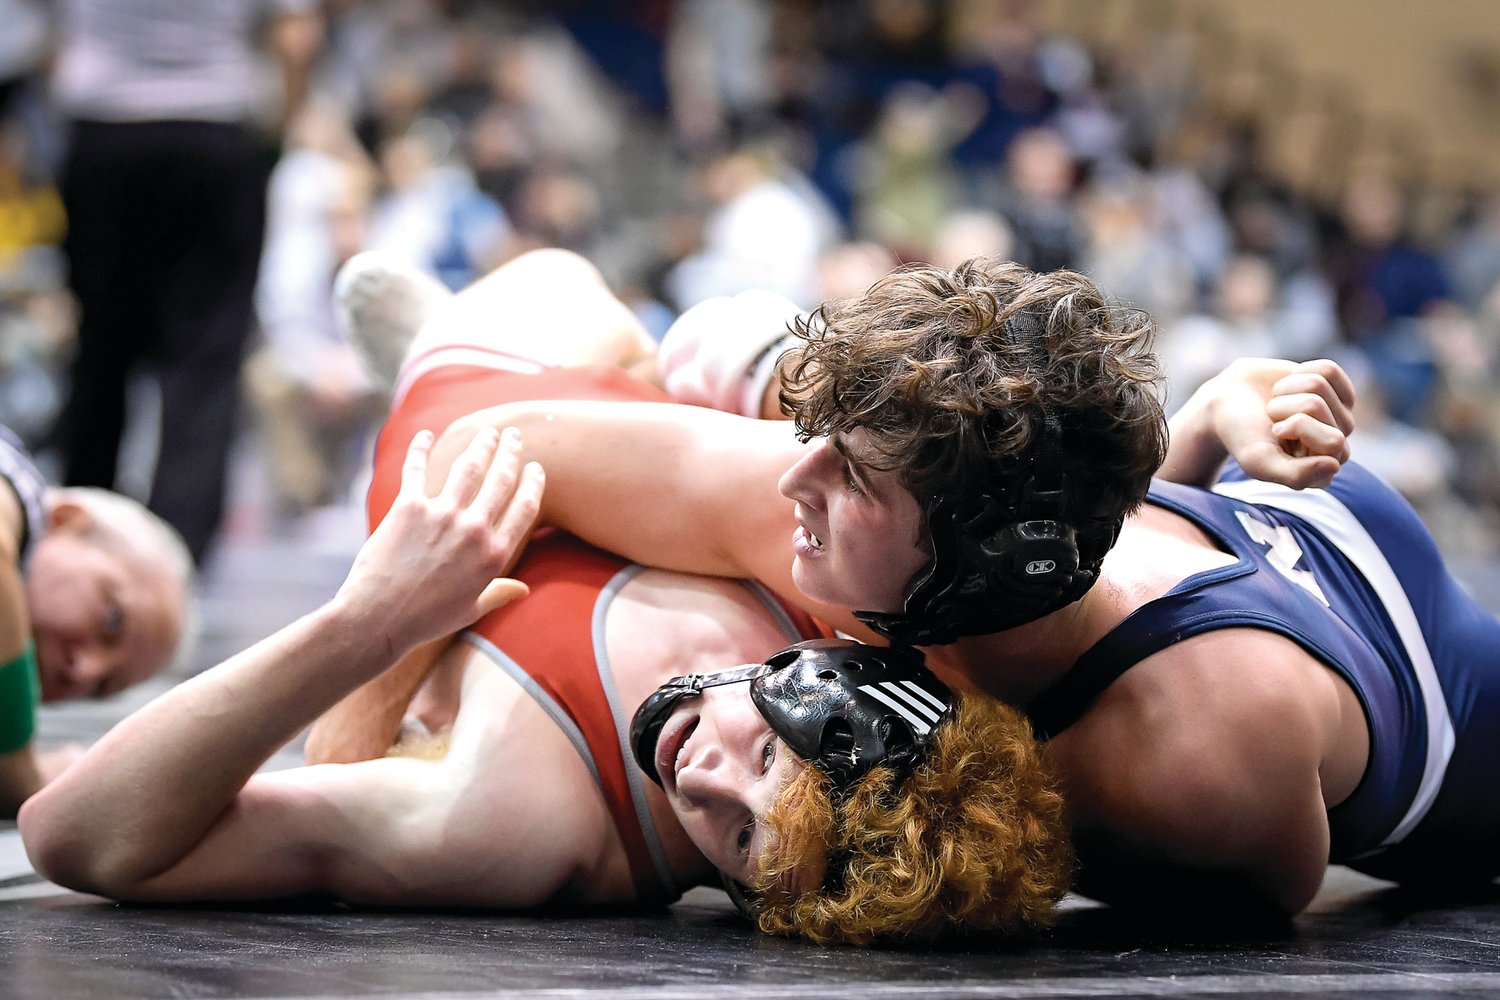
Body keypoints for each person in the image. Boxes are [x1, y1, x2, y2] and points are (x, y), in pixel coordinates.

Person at [347, 249, 1500, 919]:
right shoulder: (928, 542)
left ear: (977, 565)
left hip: (1432, 706)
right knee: (716, 393)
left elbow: (1282, 891)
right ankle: (641, 358)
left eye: (846, 476)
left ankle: (670, 360)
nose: (790, 476)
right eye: (816, 434)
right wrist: (374, 656)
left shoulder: (1188, 757)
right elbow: (487, 456)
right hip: (1246, 516)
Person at [17, 250, 1072, 948]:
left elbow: (71, 833)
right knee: (625, 314)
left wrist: (369, 626)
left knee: (497, 379)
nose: (708, 783)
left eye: (747, 849)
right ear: (839, 673)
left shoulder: (504, 828)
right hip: (564, 401)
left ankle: (478, 364)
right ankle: (681, 364)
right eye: (764, 757)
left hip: (458, 424)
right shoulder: (857, 600)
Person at [47, 0, 324, 565]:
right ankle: (174, 559)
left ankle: (75, 539)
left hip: (103, 133)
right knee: (204, 359)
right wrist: (277, 135)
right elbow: (296, 38)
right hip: (213, 130)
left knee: (100, 349)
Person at [0, 423, 193, 816]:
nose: (84, 670)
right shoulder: (16, 487)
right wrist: (23, 773)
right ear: (66, 521)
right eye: (111, 622)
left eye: (99, 688)